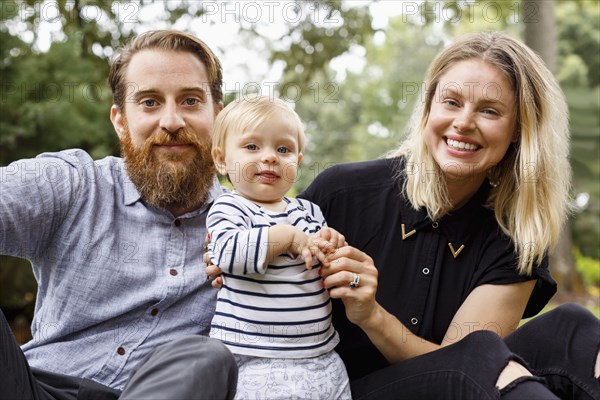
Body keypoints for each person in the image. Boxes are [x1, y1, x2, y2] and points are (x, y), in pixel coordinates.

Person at [205, 32, 600, 399]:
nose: (463, 122)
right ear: (428, 108)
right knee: (478, 354)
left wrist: (372, 315)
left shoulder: (514, 237)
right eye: (451, 101)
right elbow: (255, 237)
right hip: (334, 388)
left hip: (450, 382)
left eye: (490, 111)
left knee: (571, 328)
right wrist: (226, 255)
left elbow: (457, 365)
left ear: (518, 130)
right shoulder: (343, 192)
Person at [0, 30, 238, 400]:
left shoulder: (249, 227)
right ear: (120, 120)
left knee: (206, 356)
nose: (172, 120)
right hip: (32, 387)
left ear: (219, 117)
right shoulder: (73, 184)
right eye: (149, 102)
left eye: (190, 100)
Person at [206, 96, 351, 399]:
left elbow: (322, 259)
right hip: (255, 356)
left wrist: (331, 244)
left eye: (283, 149)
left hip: (320, 354)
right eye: (252, 147)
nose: (270, 157)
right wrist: (286, 237)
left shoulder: (309, 212)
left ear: (297, 162)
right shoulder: (230, 207)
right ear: (221, 160)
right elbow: (228, 254)